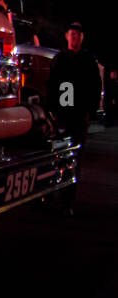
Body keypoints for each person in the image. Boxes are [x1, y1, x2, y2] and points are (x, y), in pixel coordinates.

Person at [47, 21, 101, 215]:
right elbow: (52, 86)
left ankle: (67, 200)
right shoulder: (59, 59)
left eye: (78, 35)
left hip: (79, 116)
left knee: (74, 158)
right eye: (72, 34)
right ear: (67, 36)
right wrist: (52, 110)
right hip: (62, 115)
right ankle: (51, 194)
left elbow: (95, 88)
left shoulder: (88, 61)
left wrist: (90, 112)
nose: (75, 38)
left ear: (82, 38)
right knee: (57, 156)